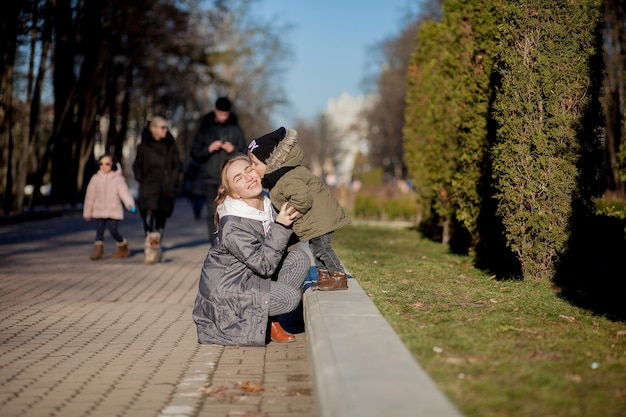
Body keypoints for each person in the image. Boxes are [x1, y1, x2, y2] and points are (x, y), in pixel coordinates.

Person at [192, 154, 310, 346]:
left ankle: (270, 320)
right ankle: (267, 322)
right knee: (289, 298)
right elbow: (264, 266)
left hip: (252, 278)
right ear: (234, 194)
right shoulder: (232, 224)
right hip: (228, 294)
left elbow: (281, 246)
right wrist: (280, 226)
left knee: (299, 259)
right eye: (239, 178)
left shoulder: (268, 204)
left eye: (249, 170)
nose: (248, 178)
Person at [248, 127, 351, 291]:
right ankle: (324, 275)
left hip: (322, 218)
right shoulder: (281, 177)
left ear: (270, 161)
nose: (252, 168)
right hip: (316, 220)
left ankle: (338, 276)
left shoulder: (288, 178)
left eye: (255, 164)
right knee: (316, 247)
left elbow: (302, 199)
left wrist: (286, 213)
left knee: (323, 249)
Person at [190, 97, 247, 245]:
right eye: (220, 114)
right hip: (209, 177)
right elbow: (194, 153)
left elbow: (245, 153)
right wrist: (208, 149)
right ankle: (214, 245)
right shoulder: (205, 127)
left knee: (230, 211)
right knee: (211, 213)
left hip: (229, 179)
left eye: (225, 114)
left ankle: (229, 243)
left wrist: (233, 150)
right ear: (215, 111)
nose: (223, 117)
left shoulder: (235, 128)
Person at [132, 116, 183, 264]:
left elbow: (177, 164)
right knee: (148, 214)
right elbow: (137, 165)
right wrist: (141, 178)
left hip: (165, 186)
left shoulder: (170, 145)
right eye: (162, 127)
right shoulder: (143, 146)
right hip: (148, 185)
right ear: (153, 128)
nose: (165, 130)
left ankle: (156, 246)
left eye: (166, 127)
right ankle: (150, 245)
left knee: (161, 217)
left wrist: (172, 179)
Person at [83, 154, 136, 261]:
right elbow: (90, 196)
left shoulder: (118, 179)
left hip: (113, 210)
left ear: (113, 165)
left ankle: (123, 247)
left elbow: (124, 193)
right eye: (101, 164)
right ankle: (98, 252)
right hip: (99, 210)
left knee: (113, 231)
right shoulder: (95, 178)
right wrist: (87, 212)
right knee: (99, 232)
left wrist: (130, 204)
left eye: (107, 164)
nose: (103, 166)